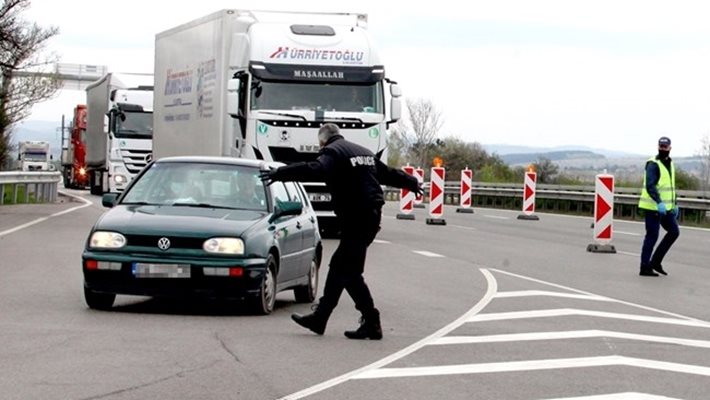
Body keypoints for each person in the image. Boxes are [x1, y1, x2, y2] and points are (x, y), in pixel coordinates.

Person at [259, 123, 422, 340]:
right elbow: (388, 174)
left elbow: (315, 169)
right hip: (370, 218)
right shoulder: (362, 152)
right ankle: (322, 318)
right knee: (342, 268)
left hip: (357, 218)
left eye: (319, 145)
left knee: (349, 272)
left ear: (323, 141)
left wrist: (282, 173)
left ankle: (370, 321)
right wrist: (411, 182)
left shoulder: (332, 152)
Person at [638, 136, 680, 277]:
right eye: (661, 146)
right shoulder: (653, 164)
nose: (663, 149)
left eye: (665, 147)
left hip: (666, 209)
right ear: (658, 147)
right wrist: (659, 202)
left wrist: (674, 204)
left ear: (670, 148)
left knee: (674, 232)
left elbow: (670, 187)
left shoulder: (670, 164)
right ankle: (644, 267)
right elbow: (650, 186)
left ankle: (655, 261)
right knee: (652, 236)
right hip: (653, 207)